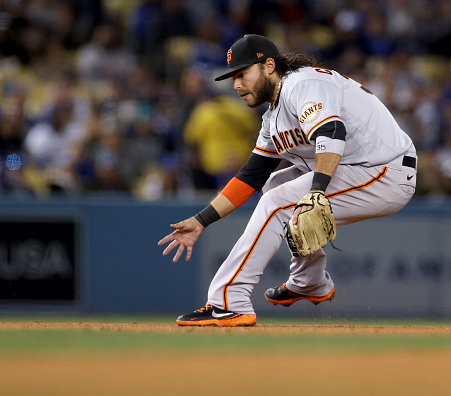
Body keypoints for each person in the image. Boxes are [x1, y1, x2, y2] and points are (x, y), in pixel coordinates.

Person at [158, 34, 417, 327]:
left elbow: (331, 132)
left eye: (243, 74)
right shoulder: (273, 116)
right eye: (233, 77)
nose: (236, 85)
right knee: (274, 188)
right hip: (356, 167)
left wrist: (316, 191)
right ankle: (309, 281)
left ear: (269, 66)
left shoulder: (301, 84)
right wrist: (202, 220)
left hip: (385, 170)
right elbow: (252, 175)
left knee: (279, 202)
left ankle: (228, 300)